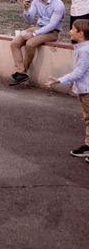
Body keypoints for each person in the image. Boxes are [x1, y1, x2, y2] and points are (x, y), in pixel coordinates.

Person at [46, 19, 89, 162]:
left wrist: (59, 80)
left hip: (87, 90)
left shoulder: (84, 50)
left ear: (81, 33)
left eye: (72, 29)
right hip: (84, 89)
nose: (69, 31)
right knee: (88, 119)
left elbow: (79, 72)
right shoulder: (82, 48)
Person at [10, 0, 65, 86]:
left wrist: (34, 34)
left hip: (52, 32)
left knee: (30, 43)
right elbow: (29, 20)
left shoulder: (58, 4)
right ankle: (21, 72)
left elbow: (52, 25)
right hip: (37, 27)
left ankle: (22, 73)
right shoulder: (36, 1)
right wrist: (25, 9)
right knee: (14, 43)